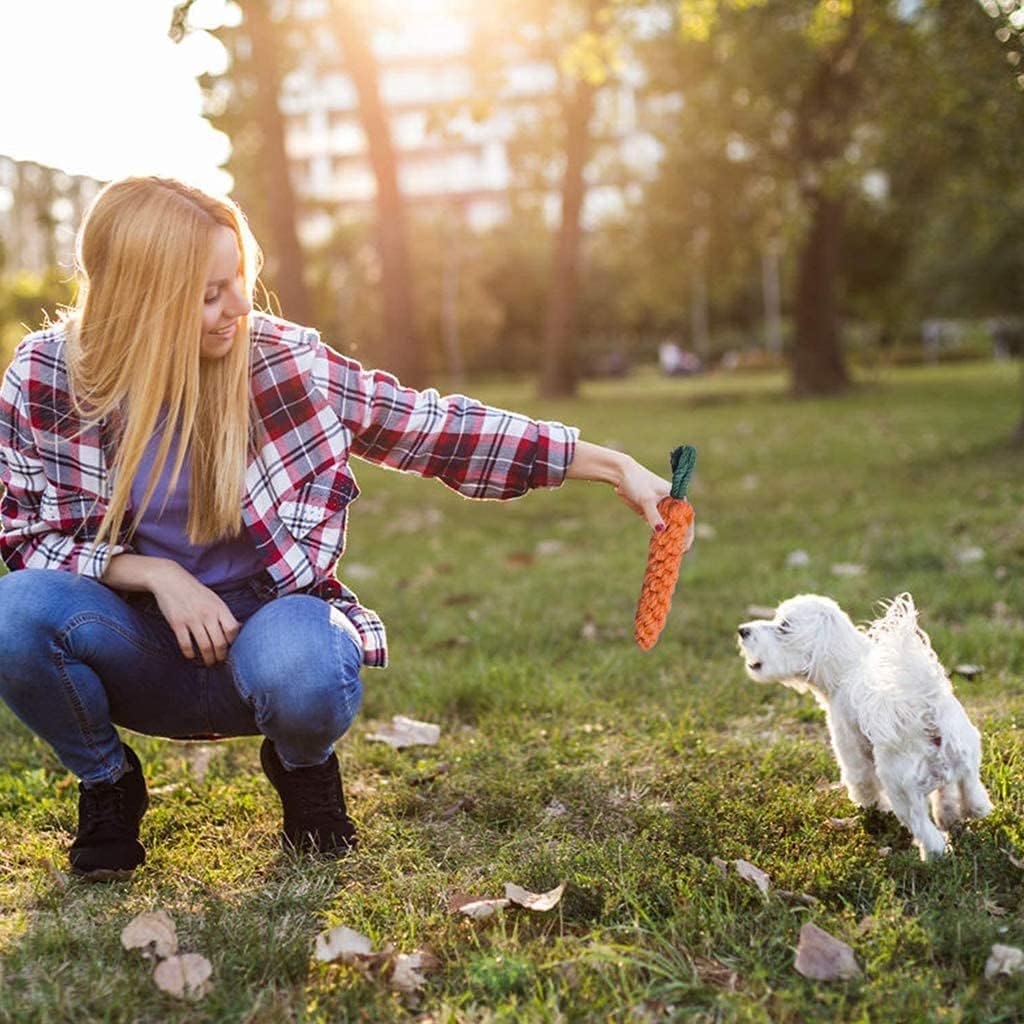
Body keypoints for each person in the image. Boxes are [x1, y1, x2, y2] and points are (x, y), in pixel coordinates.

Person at [0, 177, 676, 881]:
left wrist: (611, 465)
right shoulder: (47, 375)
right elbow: (25, 537)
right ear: (143, 299)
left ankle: (303, 770)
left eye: (238, 280)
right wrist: (155, 575)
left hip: (270, 639)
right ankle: (108, 783)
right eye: (209, 294)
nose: (239, 307)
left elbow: (433, 428)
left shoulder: (282, 360)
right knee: (12, 613)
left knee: (306, 669)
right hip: (136, 646)